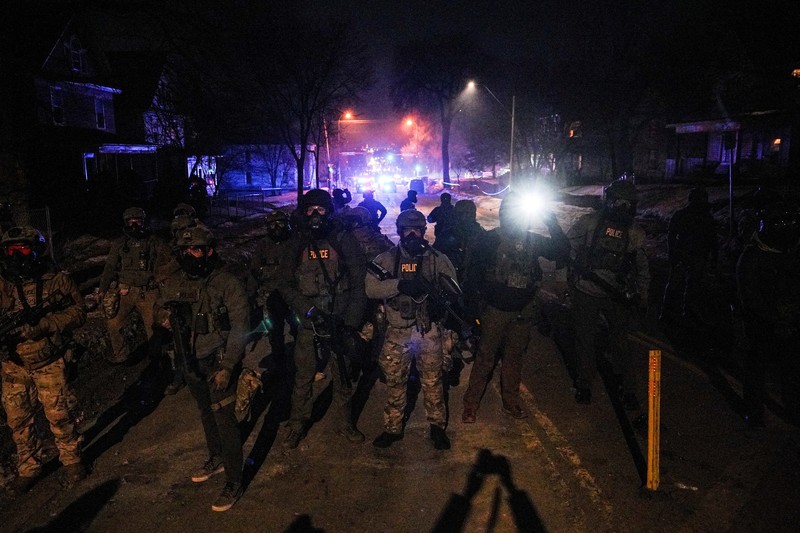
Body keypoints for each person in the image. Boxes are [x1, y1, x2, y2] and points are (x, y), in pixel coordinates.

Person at [155, 224, 249, 512]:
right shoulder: (175, 281)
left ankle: (235, 481)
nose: (190, 255)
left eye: (195, 249)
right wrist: (164, 318)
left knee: (225, 420)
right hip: (189, 361)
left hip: (217, 361)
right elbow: (159, 306)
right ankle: (216, 456)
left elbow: (240, 327)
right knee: (205, 412)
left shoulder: (226, 282)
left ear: (209, 251)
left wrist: (229, 365)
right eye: (185, 250)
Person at [461, 194, 569, 423]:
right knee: (485, 359)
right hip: (495, 310)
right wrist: (473, 312)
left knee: (514, 358)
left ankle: (510, 402)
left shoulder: (532, 240)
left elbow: (561, 252)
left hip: (524, 309)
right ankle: (471, 404)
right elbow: (472, 277)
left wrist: (551, 222)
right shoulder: (489, 240)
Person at [0, 226, 87, 497]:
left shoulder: (56, 281)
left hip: (48, 360)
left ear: (36, 250)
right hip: (14, 365)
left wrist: (45, 326)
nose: (17, 255)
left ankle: (72, 461)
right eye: (11, 250)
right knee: (19, 421)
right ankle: (29, 468)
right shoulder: (3, 283)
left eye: (23, 248)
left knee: (59, 415)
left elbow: (78, 312)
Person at [278, 189, 367, 449]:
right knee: (303, 375)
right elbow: (284, 284)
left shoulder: (342, 239)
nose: (316, 215)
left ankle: (346, 423)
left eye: (321, 209)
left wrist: (350, 322)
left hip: (339, 320)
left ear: (329, 211)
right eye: (310, 210)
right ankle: (297, 424)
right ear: (303, 212)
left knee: (343, 376)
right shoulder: (296, 243)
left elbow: (360, 282)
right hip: (309, 321)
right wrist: (307, 310)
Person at [366, 209, 457, 450]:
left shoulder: (437, 258)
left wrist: (439, 295)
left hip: (428, 330)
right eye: (408, 230)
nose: (413, 234)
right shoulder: (387, 259)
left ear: (423, 231)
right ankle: (392, 428)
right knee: (395, 382)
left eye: (417, 229)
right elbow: (371, 288)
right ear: (400, 231)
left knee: (433, 381)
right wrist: (400, 285)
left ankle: (437, 427)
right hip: (397, 330)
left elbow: (453, 287)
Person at [566, 179, 650, 406]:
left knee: (585, 340)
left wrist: (570, 280)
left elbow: (568, 248)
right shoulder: (634, 232)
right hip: (617, 294)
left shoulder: (589, 222)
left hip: (586, 290)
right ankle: (629, 390)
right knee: (620, 341)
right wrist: (642, 296)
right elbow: (642, 269)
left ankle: (584, 387)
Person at [737, 202, 800, 428]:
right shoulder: (752, 257)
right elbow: (750, 296)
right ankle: (753, 414)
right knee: (756, 371)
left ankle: (792, 410)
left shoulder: (789, 254)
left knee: (790, 371)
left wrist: (791, 313)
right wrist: (775, 316)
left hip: (787, 324)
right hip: (761, 324)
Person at [240, 209, 297, 418]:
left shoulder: (294, 242)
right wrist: (252, 295)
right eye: (273, 224)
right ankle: (280, 364)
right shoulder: (263, 246)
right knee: (274, 331)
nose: (277, 228)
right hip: (271, 294)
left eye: (281, 224)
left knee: (300, 329)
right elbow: (255, 272)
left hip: (292, 293)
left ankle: (304, 362)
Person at [98, 207, 169, 364]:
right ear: (126, 223)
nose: (135, 225)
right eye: (131, 222)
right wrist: (103, 289)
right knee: (113, 323)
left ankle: (155, 360)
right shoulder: (120, 244)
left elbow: (167, 263)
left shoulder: (154, 242)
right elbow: (109, 267)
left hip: (149, 292)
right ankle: (121, 354)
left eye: (138, 222)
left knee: (153, 328)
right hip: (126, 291)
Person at [660, 187, 717, 323]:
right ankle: (670, 312)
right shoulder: (688, 215)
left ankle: (682, 312)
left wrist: (714, 256)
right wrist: (672, 252)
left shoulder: (703, 217)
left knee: (690, 286)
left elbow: (712, 239)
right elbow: (671, 235)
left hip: (694, 255)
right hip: (685, 255)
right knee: (679, 284)